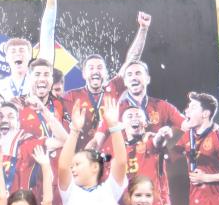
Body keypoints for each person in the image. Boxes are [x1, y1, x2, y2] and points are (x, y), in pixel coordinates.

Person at [63, 12, 152, 151]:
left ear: (106, 73)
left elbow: (132, 59)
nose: (95, 71)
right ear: (84, 74)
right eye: (91, 68)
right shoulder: (71, 96)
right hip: (83, 156)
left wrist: (143, 29)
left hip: (110, 156)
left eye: (99, 67)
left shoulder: (114, 87)